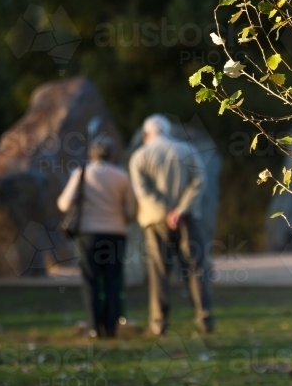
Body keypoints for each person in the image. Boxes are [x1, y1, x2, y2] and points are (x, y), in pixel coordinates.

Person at [129, 114, 214, 335]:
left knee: (158, 271)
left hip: (155, 221)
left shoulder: (139, 156)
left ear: (146, 134)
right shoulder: (187, 150)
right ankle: (204, 319)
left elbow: (142, 191)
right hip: (188, 218)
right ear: (168, 131)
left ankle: (158, 323)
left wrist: (165, 211)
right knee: (195, 269)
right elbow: (199, 181)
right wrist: (180, 210)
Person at [57, 137, 136, 338]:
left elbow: (64, 204)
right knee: (113, 279)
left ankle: (93, 326)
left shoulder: (81, 173)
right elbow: (131, 209)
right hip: (115, 234)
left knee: (91, 280)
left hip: (88, 234)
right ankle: (111, 326)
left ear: (91, 154)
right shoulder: (121, 176)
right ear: (112, 155)